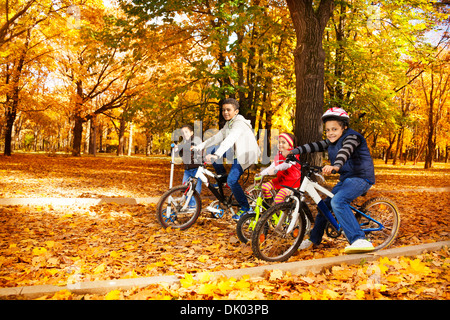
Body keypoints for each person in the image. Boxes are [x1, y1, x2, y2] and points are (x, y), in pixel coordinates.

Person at [290, 107, 376, 254]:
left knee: (338, 201)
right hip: (346, 179)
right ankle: (314, 239)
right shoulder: (331, 141)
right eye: (328, 130)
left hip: (361, 177)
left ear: (345, 127)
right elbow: (315, 146)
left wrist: (336, 165)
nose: (330, 133)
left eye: (334, 129)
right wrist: (293, 151)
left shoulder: (352, 137)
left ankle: (359, 239)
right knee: (324, 206)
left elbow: (345, 151)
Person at [193, 98, 260, 220]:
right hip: (237, 152)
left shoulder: (239, 124)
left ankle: (246, 208)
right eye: (223, 110)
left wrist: (217, 155)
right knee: (212, 149)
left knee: (232, 180)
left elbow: (230, 140)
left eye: (228, 110)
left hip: (245, 155)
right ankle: (222, 178)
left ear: (236, 111)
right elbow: (217, 138)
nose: (225, 112)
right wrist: (200, 146)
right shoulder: (229, 124)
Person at [259, 133, 301, 206]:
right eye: (279, 142)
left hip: (292, 182)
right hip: (281, 180)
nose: (280, 144)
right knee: (265, 187)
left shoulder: (293, 154)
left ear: (290, 145)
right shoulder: (279, 154)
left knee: (279, 199)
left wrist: (276, 169)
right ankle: (270, 205)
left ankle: (282, 214)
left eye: (283, 142)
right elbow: (273, 165)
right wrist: (262, 173)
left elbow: (287, 164)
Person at [174, 124, 203, 208]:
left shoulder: (196, 139)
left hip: (197, 169)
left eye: (186, 132)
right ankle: (189, 206)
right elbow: (181, 153)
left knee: (194, 190)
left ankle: (193, 207)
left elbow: (192, 146)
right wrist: (177, 150)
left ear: (191, 132)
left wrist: (179, 147)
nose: (184, 134)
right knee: (185, 189)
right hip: (187, 170)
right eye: (182, 133)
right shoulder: (184, 143)